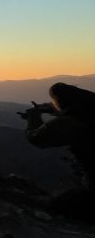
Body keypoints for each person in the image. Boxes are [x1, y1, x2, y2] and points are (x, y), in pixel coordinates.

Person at [23, 82, 95, 222]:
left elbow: (35, 138)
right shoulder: (88, 111)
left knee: (56, 207)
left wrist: (33, 117)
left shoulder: (71, 123)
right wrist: (51, 108)